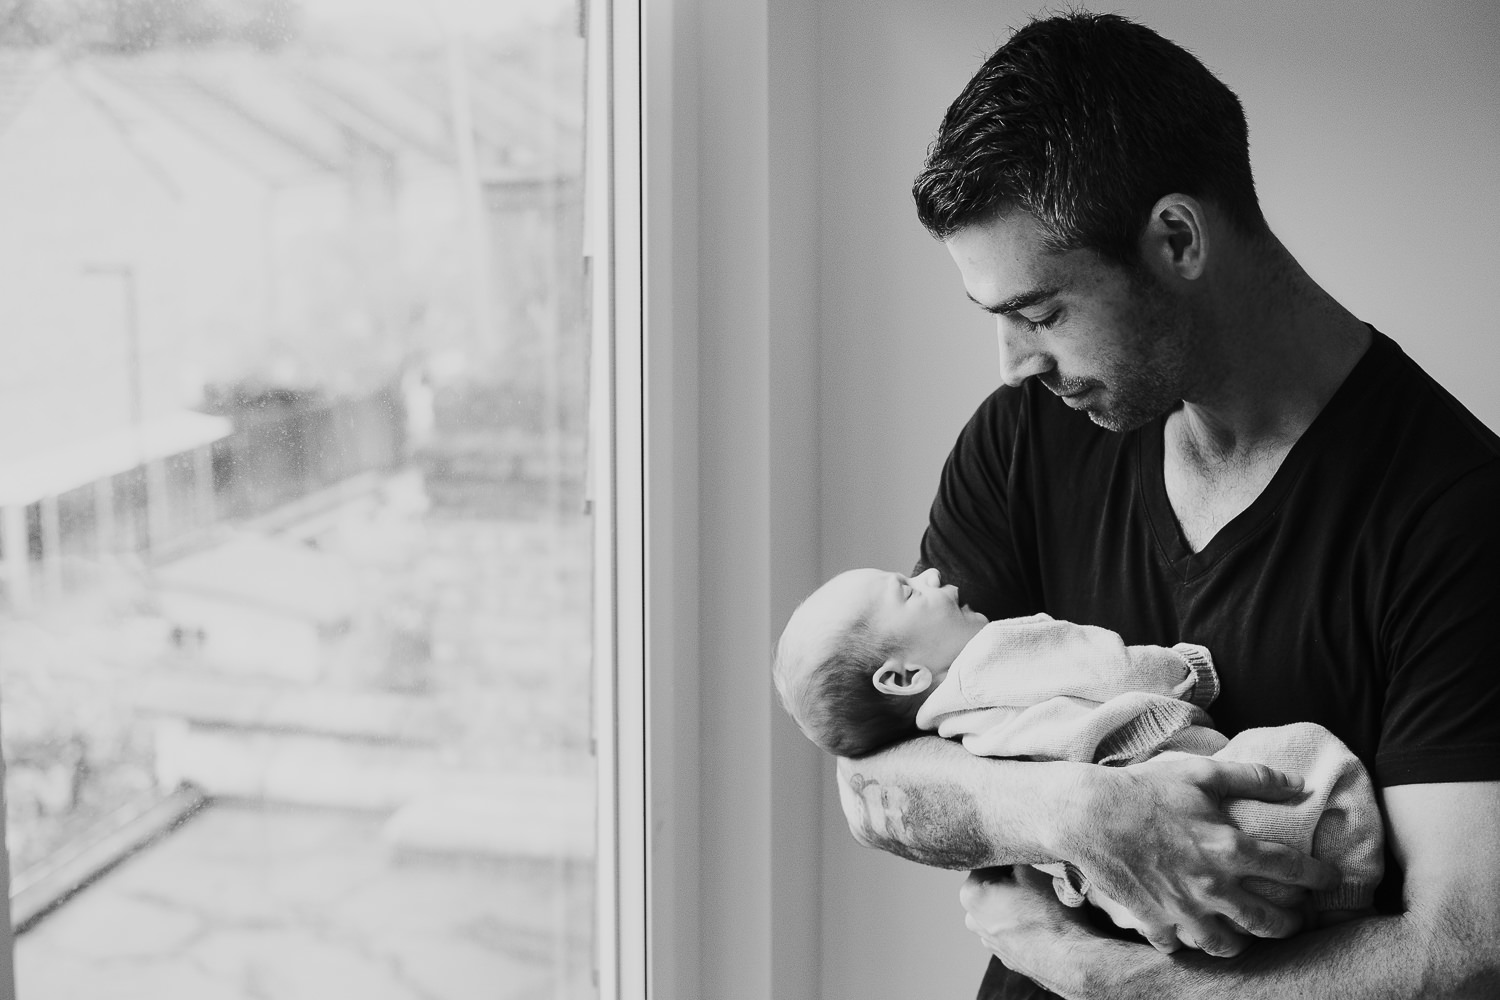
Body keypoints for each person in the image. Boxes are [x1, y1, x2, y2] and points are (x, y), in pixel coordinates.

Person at [832, 10, 1500, 1000]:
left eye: (1043, 313)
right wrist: (1079, 813)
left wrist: (1092, 970)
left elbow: (1461, 951)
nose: (1016, 364)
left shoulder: (1458, 513)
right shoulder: (1023, 437)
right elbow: (874, 776)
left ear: (1177, 238)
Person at [775, 565, 1383, 935]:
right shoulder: (997, 653)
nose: (932, 576)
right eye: (908, 592)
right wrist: (1187, 670)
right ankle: (1344, 903)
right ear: (903, 678)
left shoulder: (948, 740)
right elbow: (1107, 668)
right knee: (1319, 761)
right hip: (1205, 807)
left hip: (1130, 901)